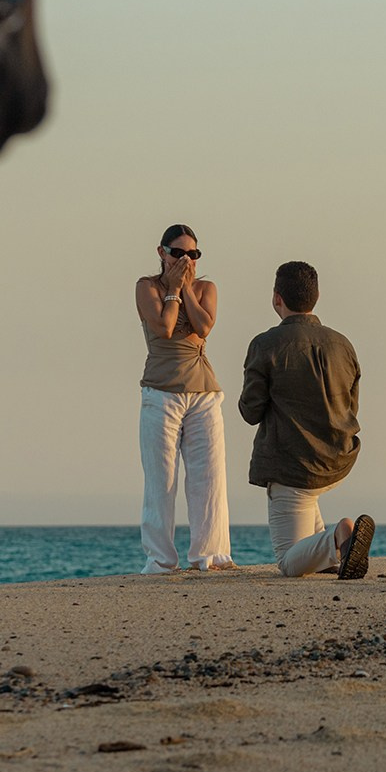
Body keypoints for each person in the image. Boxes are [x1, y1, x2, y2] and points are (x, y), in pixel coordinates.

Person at [239, 261, 374, 579]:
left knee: (287, 561)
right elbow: (351, 406)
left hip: (293, 467)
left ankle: (339, 536)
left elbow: (250, 412)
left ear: (277, 299)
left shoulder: (266, 345)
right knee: (307, 505)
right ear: (316, 296)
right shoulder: (342, 344)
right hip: (338, 460)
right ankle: (328, 553)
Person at [134, 224, 233, 574]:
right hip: (161, 392)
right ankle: (160, 561)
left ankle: (211, 555)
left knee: (209, 477)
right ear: (162, 253)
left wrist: (186, 287)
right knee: (161, 479)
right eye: (178, 253)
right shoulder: (147, 287)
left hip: (203, 392)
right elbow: (163, 326)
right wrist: (173, 289)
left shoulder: (206, 287)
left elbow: (204, 326)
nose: (186, 259)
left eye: (193, 254)